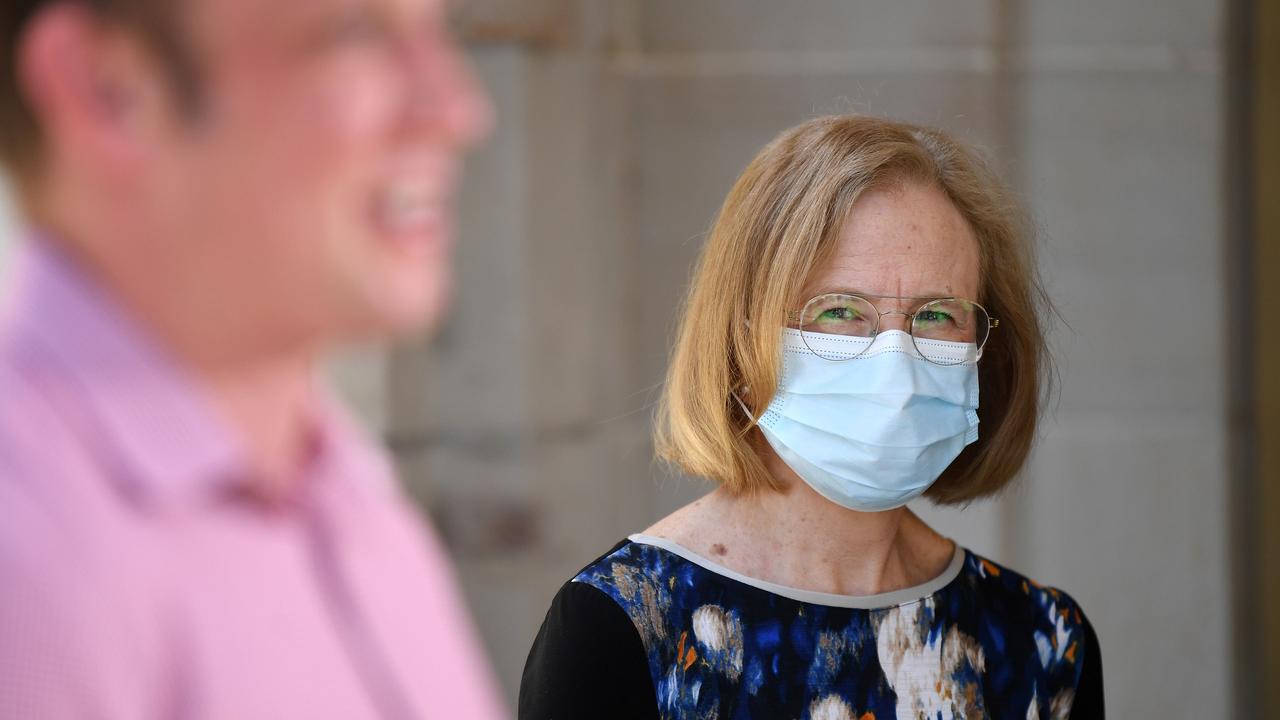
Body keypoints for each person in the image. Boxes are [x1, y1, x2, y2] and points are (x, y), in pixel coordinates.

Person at [0, 0, 504, 717]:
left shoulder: (357, 504)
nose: (457, 110)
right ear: (106, 90)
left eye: (438, 32)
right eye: (357, 32)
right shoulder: (27, 556)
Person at [519, 115, 1104, 719]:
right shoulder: (623, 629)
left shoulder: (1044, 643)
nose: (895, 368)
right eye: (841, 310)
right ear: (744, 335)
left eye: (936, 315)